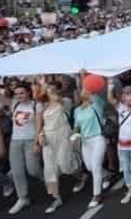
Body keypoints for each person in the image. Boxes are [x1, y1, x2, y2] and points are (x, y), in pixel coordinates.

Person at [37, 78, 82, 214]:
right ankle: (56, 198)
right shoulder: (43, 107)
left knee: (65, 165)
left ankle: (81, 177)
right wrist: (40, 136)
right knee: (50, 169)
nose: (49, 91)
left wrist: (45, 85)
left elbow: (58, 100)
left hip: (62, 136)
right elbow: (41, 125)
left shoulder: (65, 102)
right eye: (48, 89)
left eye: (52, 89)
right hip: (48, 139)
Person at [72, 73, 108, 209]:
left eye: (84, 90)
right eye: (82, 90)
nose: (82, 92)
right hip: (85, 142)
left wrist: (83, 76)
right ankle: (106, 175)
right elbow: (76, 127)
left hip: (98, 139)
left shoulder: (96, 104)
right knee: (90, 167)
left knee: (96, 166)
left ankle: (96, 195)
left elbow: (90, 89)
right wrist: (74, 135)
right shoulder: (77, 110)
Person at [7, 82, 43, 215]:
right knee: (17, 171)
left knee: (33, 169)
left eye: (21, 93)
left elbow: (39, 125)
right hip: (15, 141)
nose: (19, 96)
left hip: (30, 141)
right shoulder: (15, 105)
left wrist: (36, 143)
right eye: (16, 94)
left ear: (28, 92)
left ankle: (47, 179)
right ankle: (23, 198)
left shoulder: (36, 105)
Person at [107, 78, 131, 205]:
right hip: (122, 145)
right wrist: (110, 84)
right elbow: (110, 98)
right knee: (126, 169)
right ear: (123, 97)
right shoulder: (121, 108)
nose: (129, 97)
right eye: (126, 94)